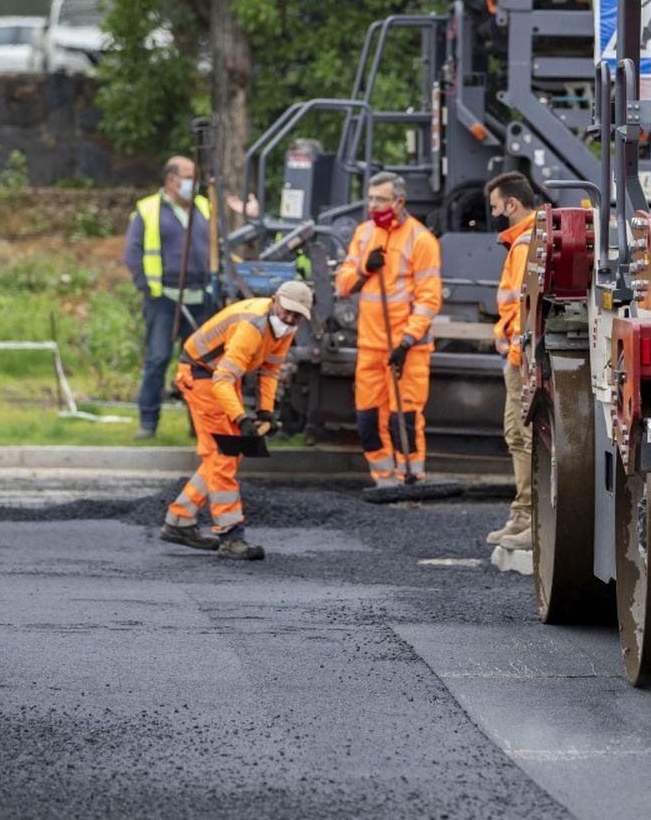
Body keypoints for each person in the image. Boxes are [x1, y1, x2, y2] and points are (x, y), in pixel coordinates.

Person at [160, 280, 314, 560]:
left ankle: (180, 519)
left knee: (224, 456)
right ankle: (231, 537)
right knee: (223, 455)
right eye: (287, 312)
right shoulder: (252, 325)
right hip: (203, 375)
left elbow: (269, 371)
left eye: (297, 316)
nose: (290, 319)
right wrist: (242, 419)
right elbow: (222, 379)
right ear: (274, 301)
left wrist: (266, 412)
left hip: (220, 377)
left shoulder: (284, 329)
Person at [333, 173, 442, 486]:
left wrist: (406, 342)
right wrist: (365, 268)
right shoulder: (364, 234)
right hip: (370, 344)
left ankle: (412, 476)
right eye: (370, 199)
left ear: (399, 201)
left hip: (408, 348)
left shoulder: (421, 240)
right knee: (367, 418)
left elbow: (428, 298)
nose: (373, 205)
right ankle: (384, 479)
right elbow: (343, 285)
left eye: (380, 199)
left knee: (403, 418)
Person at [123, 157, 215, 439]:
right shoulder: (149, 209)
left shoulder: (203, 206)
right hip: (164, 299)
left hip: (200, 298)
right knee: (158, 358)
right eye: (189, 176)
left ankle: (197, 424)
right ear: (172, 179)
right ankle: (148, 423)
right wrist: (147, 288)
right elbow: (133, 252)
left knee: (199, 364)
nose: (193, 182)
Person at [483, 173, 539, 550]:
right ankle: (523, 514)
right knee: (518, 436)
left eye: (495, 206)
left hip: (521, 358)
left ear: (512, 204)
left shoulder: (523, 243)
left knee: (523, 436)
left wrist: (517, 356)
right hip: (521, 354)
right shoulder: (530, 238)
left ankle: (531, 517)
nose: (493, 213)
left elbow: (522, 308)